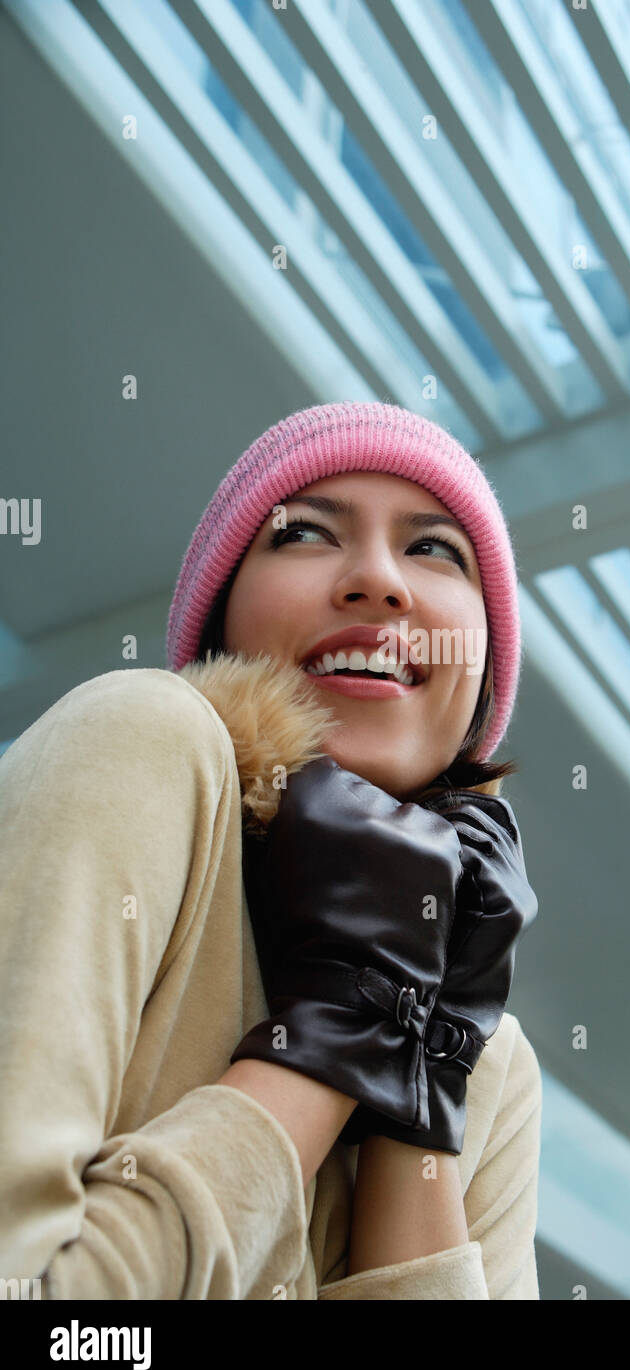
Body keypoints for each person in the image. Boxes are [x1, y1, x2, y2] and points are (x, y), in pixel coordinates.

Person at [0, 400, 542, 1300]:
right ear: (219, 625)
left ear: (482, 668)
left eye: (434, 549)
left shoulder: (495, 1058)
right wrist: (338, 1033)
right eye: (305, 535)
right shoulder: (139, 740)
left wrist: (419, 1069)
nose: (378, 582)